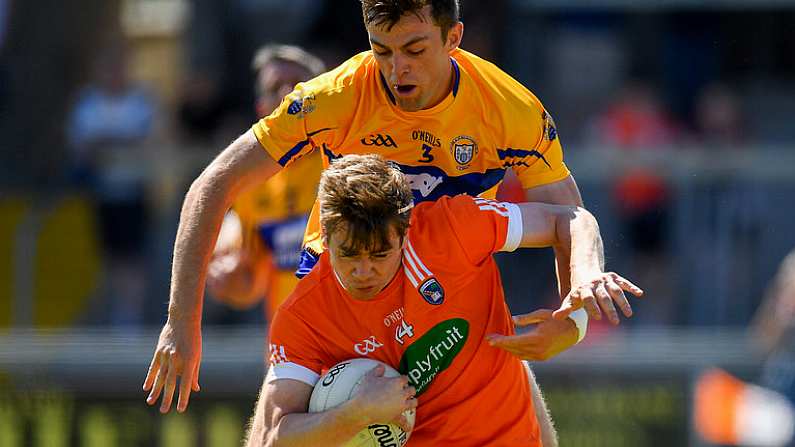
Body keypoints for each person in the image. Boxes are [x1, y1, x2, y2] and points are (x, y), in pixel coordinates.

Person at [144, 0, 637, 415]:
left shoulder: (511, 111)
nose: (397, 69)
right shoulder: (334, 97)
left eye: (415, 50)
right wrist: (182, 322)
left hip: (449, 296)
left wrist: (571, 322)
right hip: (342, 290)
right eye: (381, 50)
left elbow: (568, 218)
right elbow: (212, 184)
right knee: (279, 431)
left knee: (527, 419)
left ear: (454, 38)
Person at [243, 154, 642, 446]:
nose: (364, 270)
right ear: (324, 237)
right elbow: (271, 438)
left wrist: (582, 294)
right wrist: (358, 413)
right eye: (348, 254)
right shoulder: (304, 316)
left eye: (380, 253)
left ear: (406, 230)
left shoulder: (452, 229)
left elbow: (570, 218)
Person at [206, 44, 326, 319]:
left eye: (297, 85)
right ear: (261, 109)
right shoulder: (251, 185)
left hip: (358, 339)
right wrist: (228, 280)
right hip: (290, 347)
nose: (286, 95)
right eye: (275, 88)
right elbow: (251, 285)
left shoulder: (350, 159)